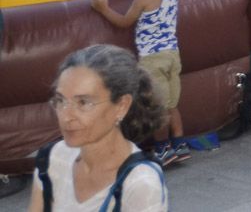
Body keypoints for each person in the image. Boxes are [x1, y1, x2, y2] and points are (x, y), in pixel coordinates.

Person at [29, 45, 169, 211]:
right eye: (61, 101)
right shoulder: (53, 157)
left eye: (83, 102)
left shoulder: (140, 184)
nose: (66, 116)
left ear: (122, 106)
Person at [90, 0, 189, 167]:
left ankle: (163, 149)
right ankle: (180, 144)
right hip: (173, 54)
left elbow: (124, 22)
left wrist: (103, 9)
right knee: (172, 105)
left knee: (158, 107)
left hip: (152, 59)